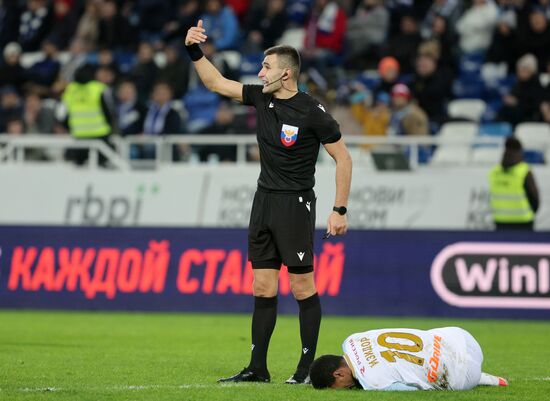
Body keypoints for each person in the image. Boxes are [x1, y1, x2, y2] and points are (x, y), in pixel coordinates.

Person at [185, 20, 352, 384]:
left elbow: (344, 158)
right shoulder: (262, 97)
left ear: (286, 74)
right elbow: (215, 83)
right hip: (264, 202)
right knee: (262, 286)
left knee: (302, 288)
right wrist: (194, 50)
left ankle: (306, 369)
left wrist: (339, 209)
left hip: (295, 204)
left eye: (267, 67)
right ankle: (257, 369)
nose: (260, 73)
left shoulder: (311, 111)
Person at [309, 326, 509, 390]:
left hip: (465, 376)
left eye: (341, 386)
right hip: (461, 337)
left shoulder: (372, 382)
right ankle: (485, 377)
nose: (349, 388)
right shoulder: (351, 340)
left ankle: (480, 377)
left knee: (420, 378)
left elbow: (412, 390)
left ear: (338, 373)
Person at [488, 136, 539, 231]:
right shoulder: (524, 171)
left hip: (500, 220)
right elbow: (534, 198)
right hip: (523, 220)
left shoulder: (494, 171)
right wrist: (531, 212)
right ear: (520, 151)